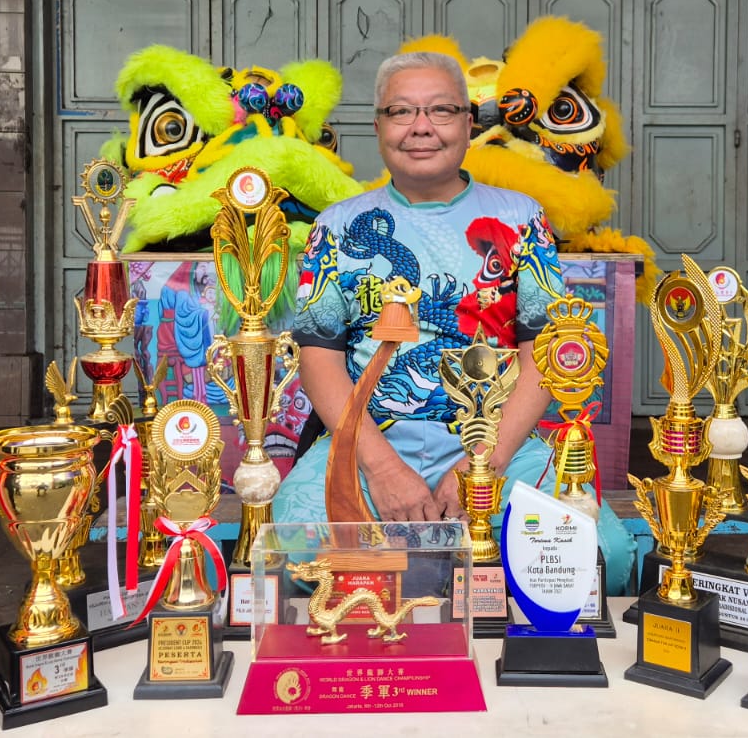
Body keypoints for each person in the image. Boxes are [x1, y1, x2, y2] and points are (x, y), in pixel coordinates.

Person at [272, 51, 635, 593]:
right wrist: (383, 469)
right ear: (378, 127)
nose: (421, 127)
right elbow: (319, 358)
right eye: (401, 111)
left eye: (440, 110)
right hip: (367, 442)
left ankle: (453, 600)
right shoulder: (338, 225)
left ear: (468, 125)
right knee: (293, 550)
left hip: (501, 444)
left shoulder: (521, 218)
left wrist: (481, 468)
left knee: (601, 558)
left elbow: (544, 354)